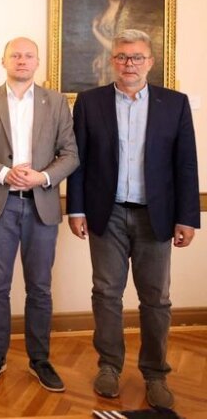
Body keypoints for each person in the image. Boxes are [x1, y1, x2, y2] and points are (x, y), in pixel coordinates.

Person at [67, 29, 199, 409]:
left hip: (155, 217)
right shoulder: (90, 103)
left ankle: (155, 374)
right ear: (113, 61)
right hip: (105, 214)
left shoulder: (174, 104)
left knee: (156, 299)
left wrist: (187, 217)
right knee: (106, 294)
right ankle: (109, 367)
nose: (130, 64)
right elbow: (79, 162)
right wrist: (76, 209)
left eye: (137, 57)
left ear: (150, 62)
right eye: (123, 57)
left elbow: (186, 164)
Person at [0, 37, 78, 392]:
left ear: (37, 62)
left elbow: (70, 154)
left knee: (40, 287)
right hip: (1, 204)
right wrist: (2, 173)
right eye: (15, 55)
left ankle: (40, 359)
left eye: (28, 55)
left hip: (42, 205)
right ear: (4, 60)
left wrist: (42, 177)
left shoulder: (56, 102)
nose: (22, 60)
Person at [91, 0, 133, 87]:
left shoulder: (126, 11)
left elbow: (118, 48)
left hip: (119, 68)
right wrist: (100, 57)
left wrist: (95, 31)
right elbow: (105, 46)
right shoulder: (105, 10)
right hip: (104, 67)